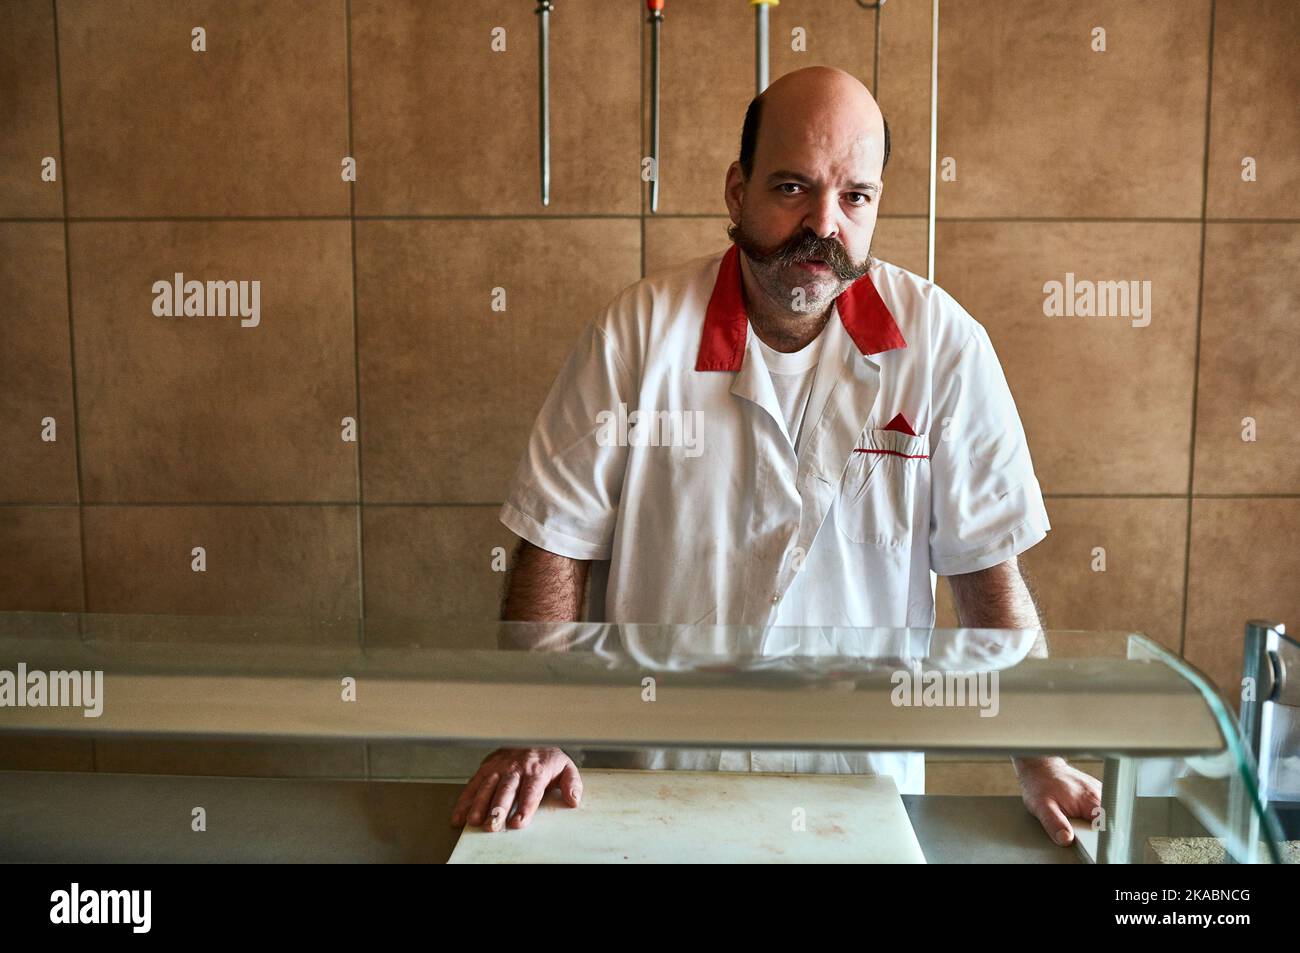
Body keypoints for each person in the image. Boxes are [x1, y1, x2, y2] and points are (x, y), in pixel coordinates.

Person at [451, 66, 1101, 847]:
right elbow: (554, 543)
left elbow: (986, 570)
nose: (823, 225)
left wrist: (1040, 758)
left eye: (854, 196)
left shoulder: (943, 348)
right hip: (655, 784)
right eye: (793, 188)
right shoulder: (636, 336)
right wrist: (534, 727)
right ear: (737, 191)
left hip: (857, 796)